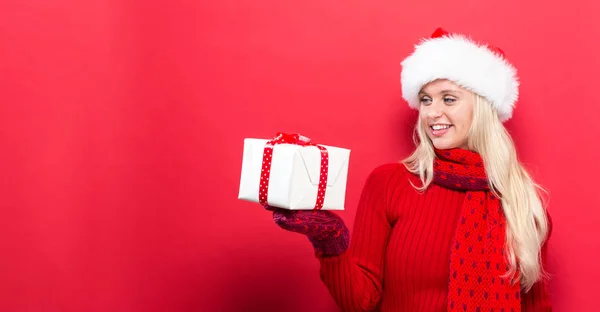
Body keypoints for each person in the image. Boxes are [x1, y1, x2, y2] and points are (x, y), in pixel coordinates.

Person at [266, 27, 553, 311]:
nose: (431, 112)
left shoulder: (520, 199)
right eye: (426, 99)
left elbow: (535, 305)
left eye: (448, 98)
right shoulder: (390, 183)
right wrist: (330, 240)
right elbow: (360, 301)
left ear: (483, 108)